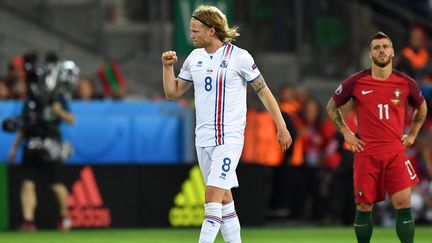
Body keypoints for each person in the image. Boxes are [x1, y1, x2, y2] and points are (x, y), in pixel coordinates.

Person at [161, 5, 292, 243]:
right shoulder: (194, 58)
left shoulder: (240, 58)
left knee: (211, 198)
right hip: (203, 139)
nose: (191, 35)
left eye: (196, 30)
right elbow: (172, 93)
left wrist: (281, 126)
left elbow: (263, 92)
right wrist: (168, 67)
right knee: (224, 200)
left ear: (211, 30)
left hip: (229, 139)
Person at [326, 31, 427, 243]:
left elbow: (422, 107)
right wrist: (346, 133)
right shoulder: (357, 81)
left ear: (392, 52)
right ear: (370, 54)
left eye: (385, 47)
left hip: (395, 152)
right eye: (376, 48)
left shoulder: (405, 82)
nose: (381, 51)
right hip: (367, 153)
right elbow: (332, 106)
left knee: (404, 203)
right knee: (364, 206)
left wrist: (413, 135)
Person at [8, 54, 76, 232]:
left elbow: (71, 120)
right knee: (27, 183)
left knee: (56, 184)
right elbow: (24, 125)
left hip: (51, 145)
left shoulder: (56, 98)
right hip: (31, 145)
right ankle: (28, 221)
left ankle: (65, 216)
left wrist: (58, 111)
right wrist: (15, 147)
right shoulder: (30, 101)